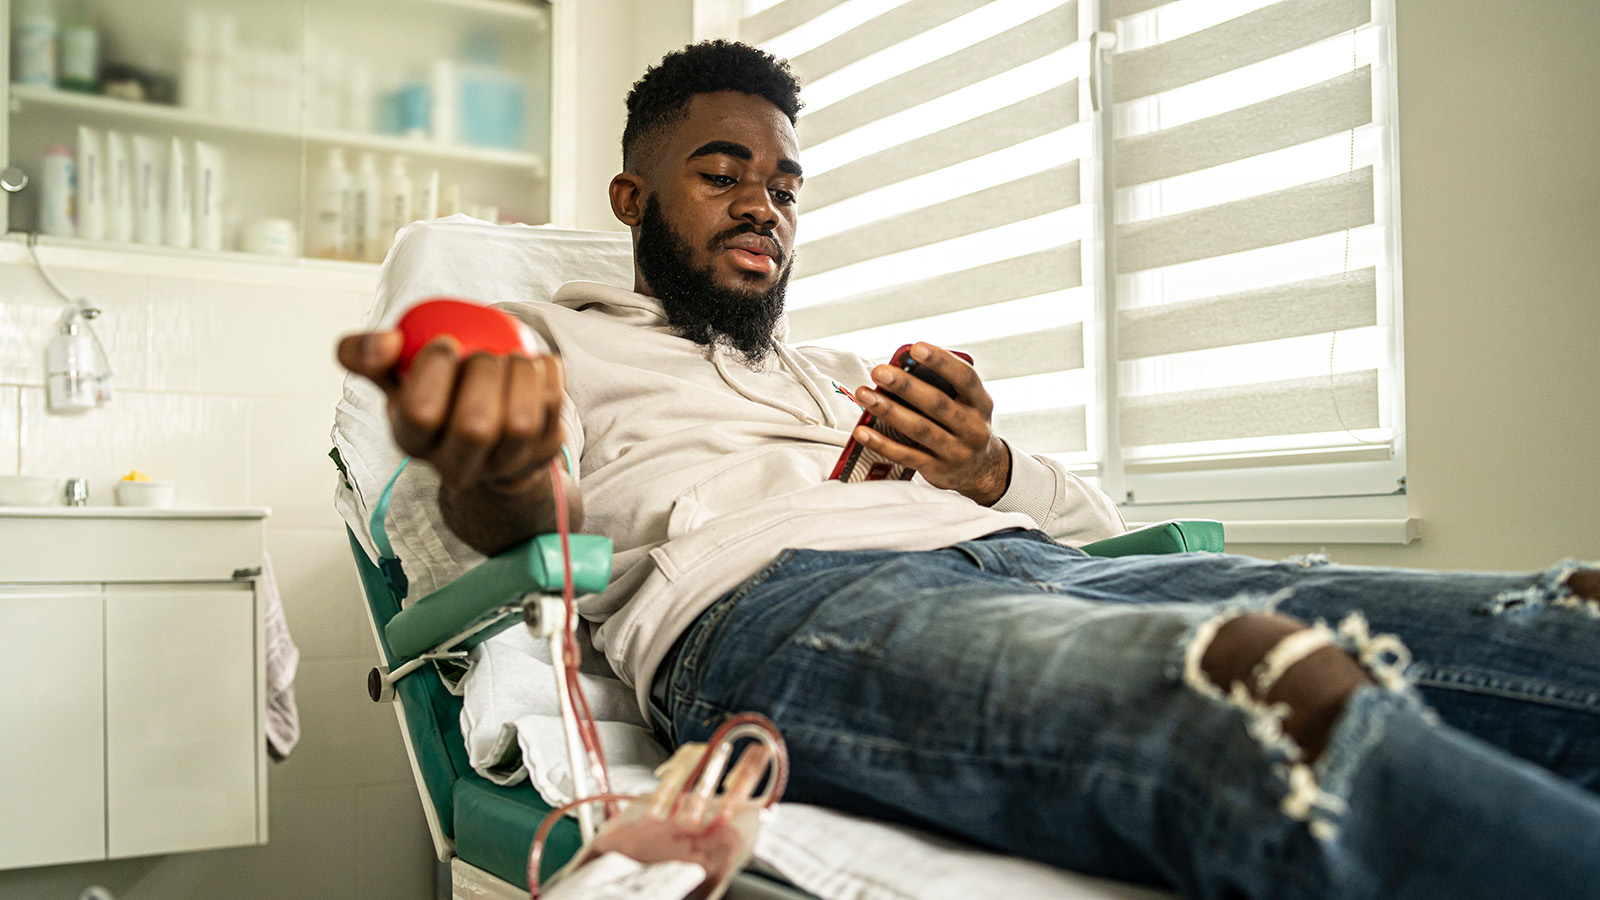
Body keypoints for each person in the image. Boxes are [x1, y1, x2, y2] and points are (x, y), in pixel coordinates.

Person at [340, 40, 1600, 900]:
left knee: (1565, 621)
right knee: (1264, 698)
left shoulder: (837, 372)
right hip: (788, 608)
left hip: (1035, 573)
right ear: (632, 198)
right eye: (720, 173)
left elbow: (1099, 530)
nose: (762, 205)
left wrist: (989, 466)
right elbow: (486, 541)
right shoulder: (551, 343)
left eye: (784, 184)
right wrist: (495, 467)